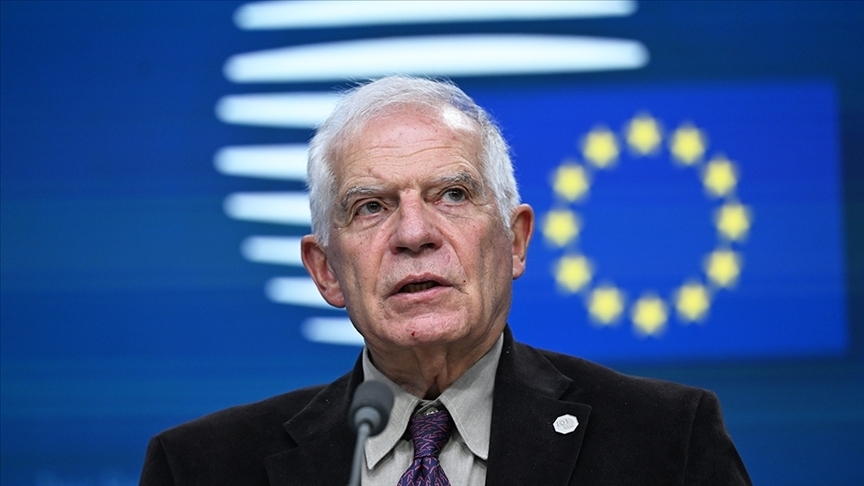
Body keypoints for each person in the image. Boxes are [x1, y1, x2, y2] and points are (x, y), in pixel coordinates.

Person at [139, 76, 751, 485]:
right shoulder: (199, 468)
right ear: (326, 271)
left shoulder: (667, 442)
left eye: (452, 195)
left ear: (515, 241)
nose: (414, 234)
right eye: (371, 207)